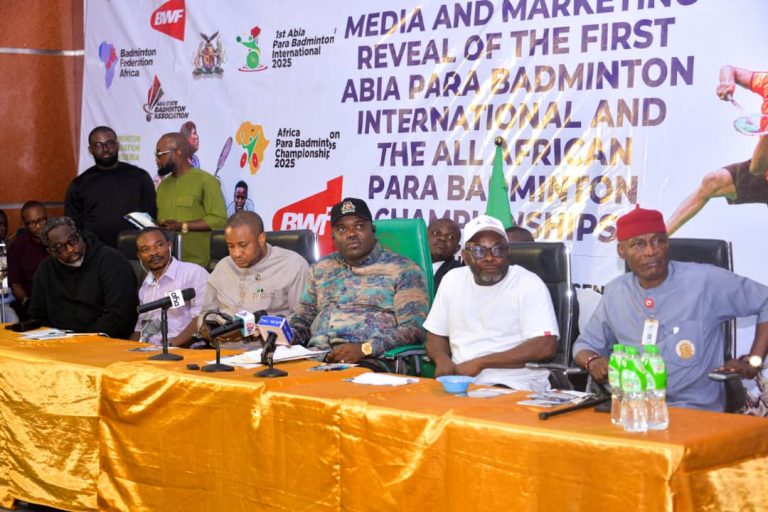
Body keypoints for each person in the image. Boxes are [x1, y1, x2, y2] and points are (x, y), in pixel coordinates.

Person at [573, 206, 768, 411]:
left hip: (694, 410)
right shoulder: (616, 292)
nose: (651, 251)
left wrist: (753, 362)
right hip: (634, 410)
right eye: (639, 244)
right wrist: (593, 361)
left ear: (667, 244)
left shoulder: (705, 281)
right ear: (621, 251)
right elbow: (584, 346)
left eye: (658, 241)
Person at [289, 198, 429, 371]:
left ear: (372, 230)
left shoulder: (403, 269)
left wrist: (365, 348)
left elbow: (414, 329)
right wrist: (285, 335)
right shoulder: (320, 268)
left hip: (373, 360)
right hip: (316, 357)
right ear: (333, 237)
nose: (351, 233)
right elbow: (303, 318)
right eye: (342, 229)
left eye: (360, 226)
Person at [425, 215, 559, 390]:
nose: (489, 257)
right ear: (465, 256)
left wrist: (481, 363)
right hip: (461, 381)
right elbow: (435, 334)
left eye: (498, 250)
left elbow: (545, 346)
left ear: (508, 253)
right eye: (479, 251)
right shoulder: (452, 280)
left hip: (516, 384)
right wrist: (442, 360)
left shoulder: (528, 283)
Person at [667, 65, 768, 234]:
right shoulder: (765, 81)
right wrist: (727, 82)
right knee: (712, 181)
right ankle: (659, 239)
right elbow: (728, 69)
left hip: (762, 164)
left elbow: (756, 167)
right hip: (764, 171)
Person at [198, 211, 308, 345]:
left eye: (243, 245)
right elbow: (205, 313)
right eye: (230, 246)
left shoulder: (293, 266)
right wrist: (208, 328)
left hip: (267, 351)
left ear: (261, 239)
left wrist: (256, 329)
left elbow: (302, 320)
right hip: (221, 352)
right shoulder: (223, 266)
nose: (236, 253)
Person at [29, 216, 138, 338]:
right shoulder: (46, 268)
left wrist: (84, 340)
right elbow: (38, 314)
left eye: (72, 240)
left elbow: (118, 316)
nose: (70, 249)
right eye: (60, 247)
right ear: (51, 252)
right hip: (59, 341)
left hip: (105, 340)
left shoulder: (111, 261)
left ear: (80, 235)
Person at [65, 126, 157, 247]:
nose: (105, 149)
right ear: (90, 150)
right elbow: (72, 224)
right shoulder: (79, 184)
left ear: (117, 145)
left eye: (110, 143)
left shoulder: (140, 177)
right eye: (98, 145)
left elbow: (151, 216)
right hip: (96, 250)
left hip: (135, 248)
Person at [155, 132, 227, 267]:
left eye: (160, 154)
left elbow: (219, 220)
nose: (157, 160)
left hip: (198, 263)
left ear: (178, 153)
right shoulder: (163, 186)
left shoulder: (205, 180)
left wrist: (182, 226)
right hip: (167, 264)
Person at [131, 227, 209, 346]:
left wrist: (169, 347)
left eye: (158, 245)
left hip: (185, 350)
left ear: (169, 245)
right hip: (150, 350)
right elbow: (141, 329)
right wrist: (126, 349)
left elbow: (201, 319)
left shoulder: (194, 273)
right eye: (145, 249)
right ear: (139, 256)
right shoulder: (145, 287)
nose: (153, 252)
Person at [7, 201, 49, 320]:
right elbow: (16, 285)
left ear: (48, 218)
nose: (38, 226)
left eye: (42, 220)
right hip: (32, 303)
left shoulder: (58, 240)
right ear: (24, 224)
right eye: (32, 223)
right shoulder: (17, 248)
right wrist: (27, 301)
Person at [427, 218, 463, 292]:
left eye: (450, 237)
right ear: (423, 238)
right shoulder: (407, 265)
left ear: (457, 248)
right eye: (435, 233)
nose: (442, 238)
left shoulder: (460, 274)